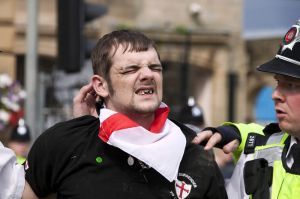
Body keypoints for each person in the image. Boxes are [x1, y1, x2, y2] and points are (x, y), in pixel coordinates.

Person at [23, 30, 227, 199]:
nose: (148, 74)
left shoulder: (194, 149)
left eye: (155, 67)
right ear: (101, 86)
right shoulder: (64, 142)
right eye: (131, 69)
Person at [193, 19, 300, 198]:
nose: (275, 95)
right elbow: (261, 138)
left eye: (290, 84)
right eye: (277, 82)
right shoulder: (257, 154)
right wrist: (233, 131)